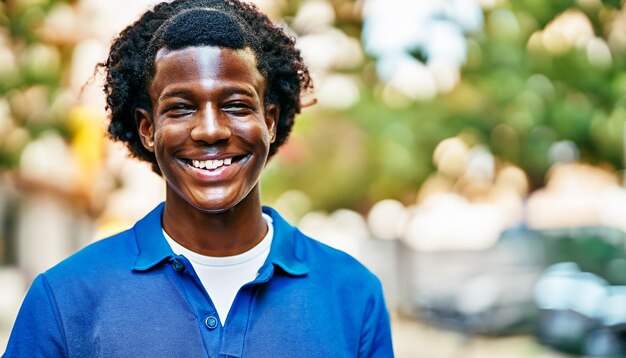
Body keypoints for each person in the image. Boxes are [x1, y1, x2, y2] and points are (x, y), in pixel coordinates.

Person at [3, 0, 394, 356]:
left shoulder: (354, 295)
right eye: (181, 108)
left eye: (236, 105)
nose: (210, 130)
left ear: (269, 122)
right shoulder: (64, 298)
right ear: (147, 129)